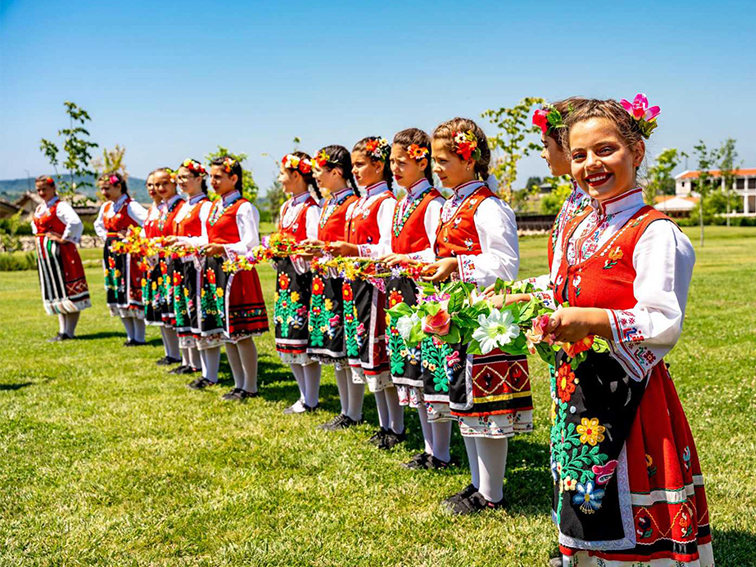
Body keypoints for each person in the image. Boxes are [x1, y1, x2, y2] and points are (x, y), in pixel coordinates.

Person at [542, 97, 712, 567]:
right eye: (578, 155)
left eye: (605, 150)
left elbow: (661, 320)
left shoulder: (655, 232)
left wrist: (592, 320)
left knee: (625, 513)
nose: (590, 165)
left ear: (636, 151)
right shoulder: (587, 225)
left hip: (630, 397)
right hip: (580, 388)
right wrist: (529, 301)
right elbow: (573, 285)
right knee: (582, 497)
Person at [424, 117, 532, 514]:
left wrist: (456, 266)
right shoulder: (453, 205)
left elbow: (505, 266)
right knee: (466, 405)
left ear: (469, 160)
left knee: (487, 410)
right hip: (458, 319)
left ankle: (492, 494)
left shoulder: (488, 206)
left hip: (486, 320)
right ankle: (478, 485)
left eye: (443, 159)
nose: (436, 168)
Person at [380, 128, 447, 464]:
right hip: (399, 294)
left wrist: (408, 260)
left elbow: (437, 253)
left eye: (401, 161)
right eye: (392, 161)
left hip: (423, 294)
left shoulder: (433, 203)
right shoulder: (401, 203)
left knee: (428, 373)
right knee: (411, 371)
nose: (394, 167)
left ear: (422, 162)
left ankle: (441, 450)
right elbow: (392, 248)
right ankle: (429, 447)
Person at [328, 136, 401, 448]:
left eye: (360, 164)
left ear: (378, 165)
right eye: (354, 165)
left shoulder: (386, 203)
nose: (354, 171)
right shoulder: (361, 203)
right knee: (367, 357)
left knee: (380, 357)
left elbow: (387, 247)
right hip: (356, 285)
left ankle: (395, 426)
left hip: (378, 288)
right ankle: (385, 424)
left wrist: (355, 249)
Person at [198, 156, 269, 401]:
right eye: (212, 177)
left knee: (241, 332)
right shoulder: (215, 206)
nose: (213, 182)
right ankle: (239, 384)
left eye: (218, 177)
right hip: (216, 272)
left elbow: (251, 243)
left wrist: (222, 248)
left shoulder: (244, 207)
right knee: (226, 331)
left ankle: (250, 385)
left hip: (236, 273)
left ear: (234, 178)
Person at [301, 145, 361, 430]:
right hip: (326, 279)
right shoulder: (327, 203)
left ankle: (354, 410)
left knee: (347, 348)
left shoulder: (351, 203)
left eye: (318, 171)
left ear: (336, 172)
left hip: (342, 281)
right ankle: (344, 408)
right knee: (336, 349)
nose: (315, 176)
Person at [166, 159, 222, 389]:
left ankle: (211, 373)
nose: (180, 182)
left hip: (198, 265)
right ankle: (194, 364)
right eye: (178, 178)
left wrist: (184, 241)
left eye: (185, 177)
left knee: (203, 316)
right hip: (182, 265)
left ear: (200, 179)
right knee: (188, 314)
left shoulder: (206, 206)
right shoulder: (183, 206)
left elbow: (209, 238)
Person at [275, 152, 322, 414]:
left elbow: (315, 250)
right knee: (288, 335)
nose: (280, 179)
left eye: (283, 174)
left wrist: (294, 252)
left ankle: (311, 398)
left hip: (303, 280)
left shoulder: (311, 209)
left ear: (296, 175)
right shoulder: (286, 207)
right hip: (285, 277)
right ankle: (302, 394)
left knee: (303, 336)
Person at [30, 175, 91, 341]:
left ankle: (69, 331)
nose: (41, 192)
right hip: (47, 255)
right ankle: (62, 330)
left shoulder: (60, 206)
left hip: (61, 253)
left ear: (53, 188)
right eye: (39, 190)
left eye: (44, 189)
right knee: (56, 290)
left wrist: (64, 238)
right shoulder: (41, 208)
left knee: (67, 288)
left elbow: (75, 222)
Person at [94, 172, 148, 345]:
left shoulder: (131, 206)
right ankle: (130, 335)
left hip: (129, 255)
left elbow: (147, 222)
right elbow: (99, 225)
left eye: (107, 188)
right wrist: (108, 237)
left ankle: (139, 336)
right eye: (102, 188)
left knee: (132, 290)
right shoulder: (107, 207)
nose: (104, 192)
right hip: (112, 254)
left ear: (119, 187)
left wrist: (132, 235)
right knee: (118, 290)